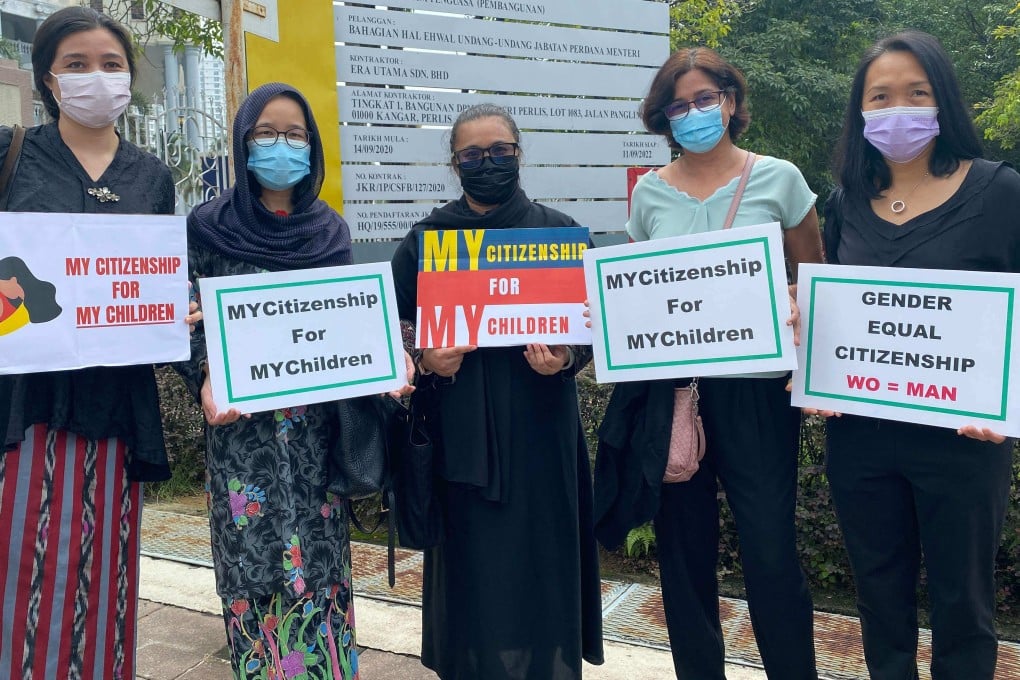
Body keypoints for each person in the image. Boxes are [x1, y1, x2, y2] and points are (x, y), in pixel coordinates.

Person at [593, 47, 822, 680]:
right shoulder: (650, 194)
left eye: (704, 98)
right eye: (678, 104)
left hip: (756, 393)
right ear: (662, 118)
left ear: (731, 101)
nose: (693, 113)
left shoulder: (780, 178)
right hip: (674, 392)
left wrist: (801, 307)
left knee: (770, 549)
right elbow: (635, 288)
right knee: (682, 554)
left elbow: (813, 272)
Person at [176, 82, 413, 680]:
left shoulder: (327, 232)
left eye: (296, 135)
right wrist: (201, 375)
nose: (282, 145)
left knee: (322, 569)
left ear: (312, 148)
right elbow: (179, 322)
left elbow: (348, 324)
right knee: (252, 568)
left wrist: (388, 364)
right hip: (243, 440)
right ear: (243, 140)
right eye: (266, 133)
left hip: (316, 439)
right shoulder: (206, 228)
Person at [0, 7, 199, 678]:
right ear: (48, 78)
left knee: (104, 565)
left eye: (111, 65)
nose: (96, 78)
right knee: (18, 563)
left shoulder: (151, 176)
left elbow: (159, 285)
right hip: (27, 401)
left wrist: (190, 337)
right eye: (77, 64)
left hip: (115, 405)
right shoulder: (11, 152)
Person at [817, 31, 1018, 680]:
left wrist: (1012, 399)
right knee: (878, 602)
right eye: (880, 96)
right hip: (861, 443)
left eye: (916, 93)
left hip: (963, 442)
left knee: (964, 610)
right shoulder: (845, 205)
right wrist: (817, 363)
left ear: (944, 102)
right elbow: (832, 312)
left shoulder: (999, 192)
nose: (897, 108)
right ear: (860, 111)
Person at [390, 103, 604, 680]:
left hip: (541, 433)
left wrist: (564, 359)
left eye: (500, 152)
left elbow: (590, 328)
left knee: (542, 568)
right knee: (472, 576)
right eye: (473, 155)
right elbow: (393, 330)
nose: (488, 163)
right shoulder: (427, 240)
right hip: (461, 437)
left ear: (519, 154)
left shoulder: (558, 234)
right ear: (455, 165)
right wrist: (424, 358)